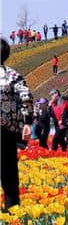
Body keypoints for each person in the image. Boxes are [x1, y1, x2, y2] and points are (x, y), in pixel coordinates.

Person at [1, 39, 32, 210]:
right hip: (8, 130)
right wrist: (27, 122)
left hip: (6, 131)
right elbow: (26, 96)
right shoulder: (12, 75)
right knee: (9, 172)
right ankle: (12, 208)